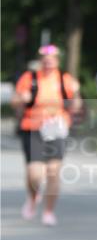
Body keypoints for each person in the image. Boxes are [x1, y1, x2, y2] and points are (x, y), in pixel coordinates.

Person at [12, 44, 82, 226]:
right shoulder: (29, 78)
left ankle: (49, 211)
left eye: (52, 59)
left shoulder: (65, 80)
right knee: (35, 174)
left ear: (58, 61)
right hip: (33, 127)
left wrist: (76, 93)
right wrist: (22, 98)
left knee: (53, 171)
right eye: (45, 59)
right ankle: (33, 197)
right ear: (40, 60)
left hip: (57, 127)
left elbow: (76, 106)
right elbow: (15, 101)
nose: (48, 62)